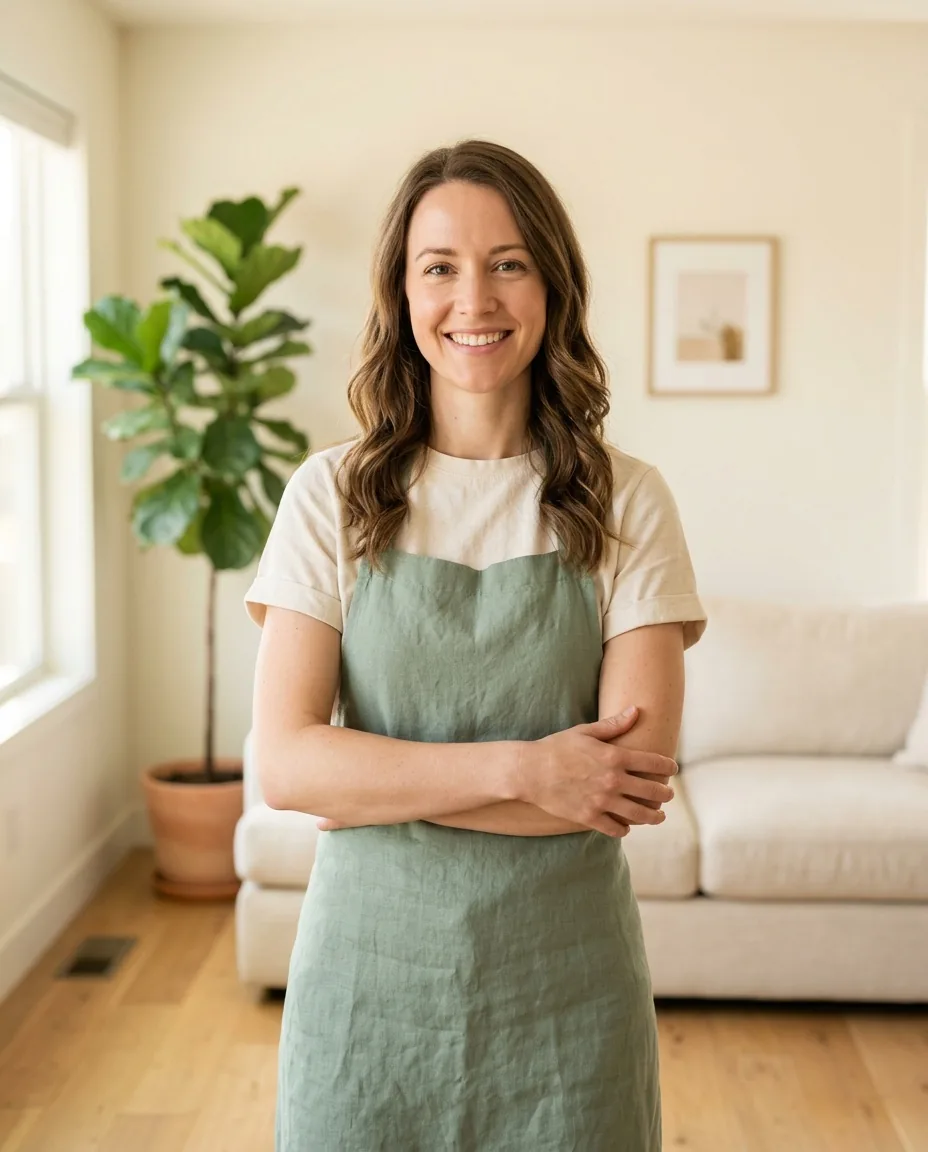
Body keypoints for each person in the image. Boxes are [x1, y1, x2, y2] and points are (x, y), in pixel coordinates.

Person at [244, 138, 709, 1152]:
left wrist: (375, 786)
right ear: (400, 294)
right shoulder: (330, 496)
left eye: (507, 262)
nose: (474, 298)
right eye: (439, 266)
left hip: (566, 1002)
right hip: (367, 1000)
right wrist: (528, 770)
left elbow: (620, 786)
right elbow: (285, 765)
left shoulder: (627, 500)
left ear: (551, 283)